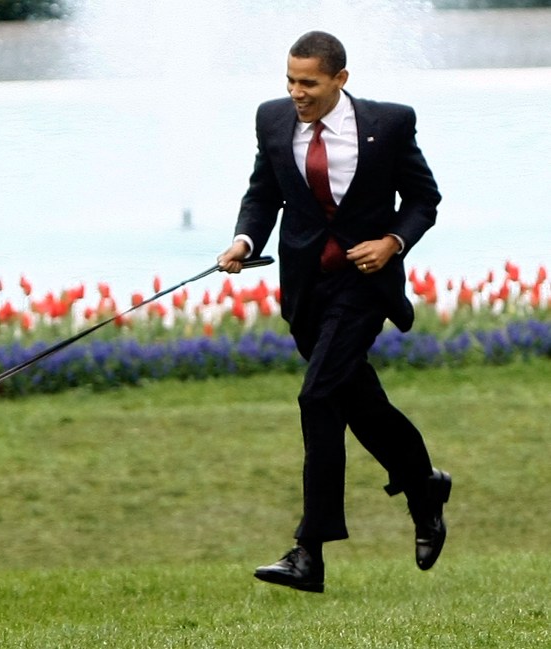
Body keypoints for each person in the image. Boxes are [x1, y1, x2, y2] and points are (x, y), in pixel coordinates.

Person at [217, 31, 451, 593]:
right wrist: (244, 241)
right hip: (306, 290)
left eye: (309, 83)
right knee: (358, 401)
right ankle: (423, 484)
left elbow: (424, 199)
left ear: (340, 80)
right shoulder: (272, 120)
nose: (297, 93)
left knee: (317, 396)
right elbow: (264, 193)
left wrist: (392, 241)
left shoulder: (389, 124)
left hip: (363, 285)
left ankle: (309, 551)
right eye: (291, 81)